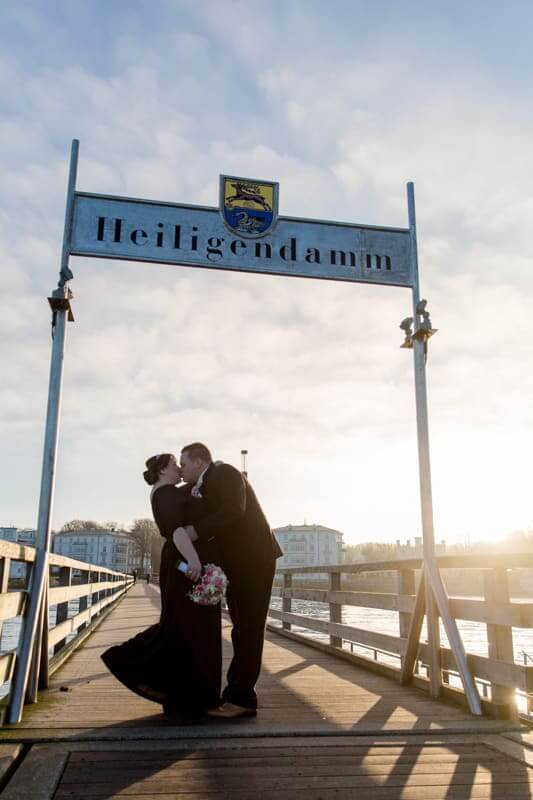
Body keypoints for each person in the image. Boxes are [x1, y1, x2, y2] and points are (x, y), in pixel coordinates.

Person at [101, 453, 221, 717]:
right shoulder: (165, 494)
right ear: (164, 470)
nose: (180, 468)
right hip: (183, 561)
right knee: (183, 623)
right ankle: (128, 661)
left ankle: (182, 695)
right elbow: (176, 529)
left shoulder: (168, 491)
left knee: (186, 625)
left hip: (181, 560)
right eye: (175, 465)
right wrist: (193, 560)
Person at [178, 442, 282, 718]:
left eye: (184, 463)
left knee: (249, 626)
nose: (181, 468)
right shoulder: (203, 483)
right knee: (241, 626)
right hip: (239, 563)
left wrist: (195, 531)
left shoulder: (226, 473)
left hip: (254, 559)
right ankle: (236, 693)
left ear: (199, 462)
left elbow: (234, 510)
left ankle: (243, 699)